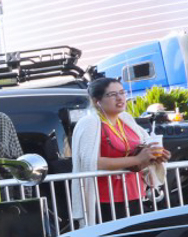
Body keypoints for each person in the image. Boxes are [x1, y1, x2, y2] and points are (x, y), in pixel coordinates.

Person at [71, 75, 170, 224]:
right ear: (96, 101)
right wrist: (137, 159)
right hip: (105, 197)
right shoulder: (90, 123)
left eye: (122, 93)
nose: (120, 98)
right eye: (112, 95)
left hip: (134, 192)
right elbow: (91, 162)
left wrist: (154, 156)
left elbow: (142, 148)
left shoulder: (126, 120)